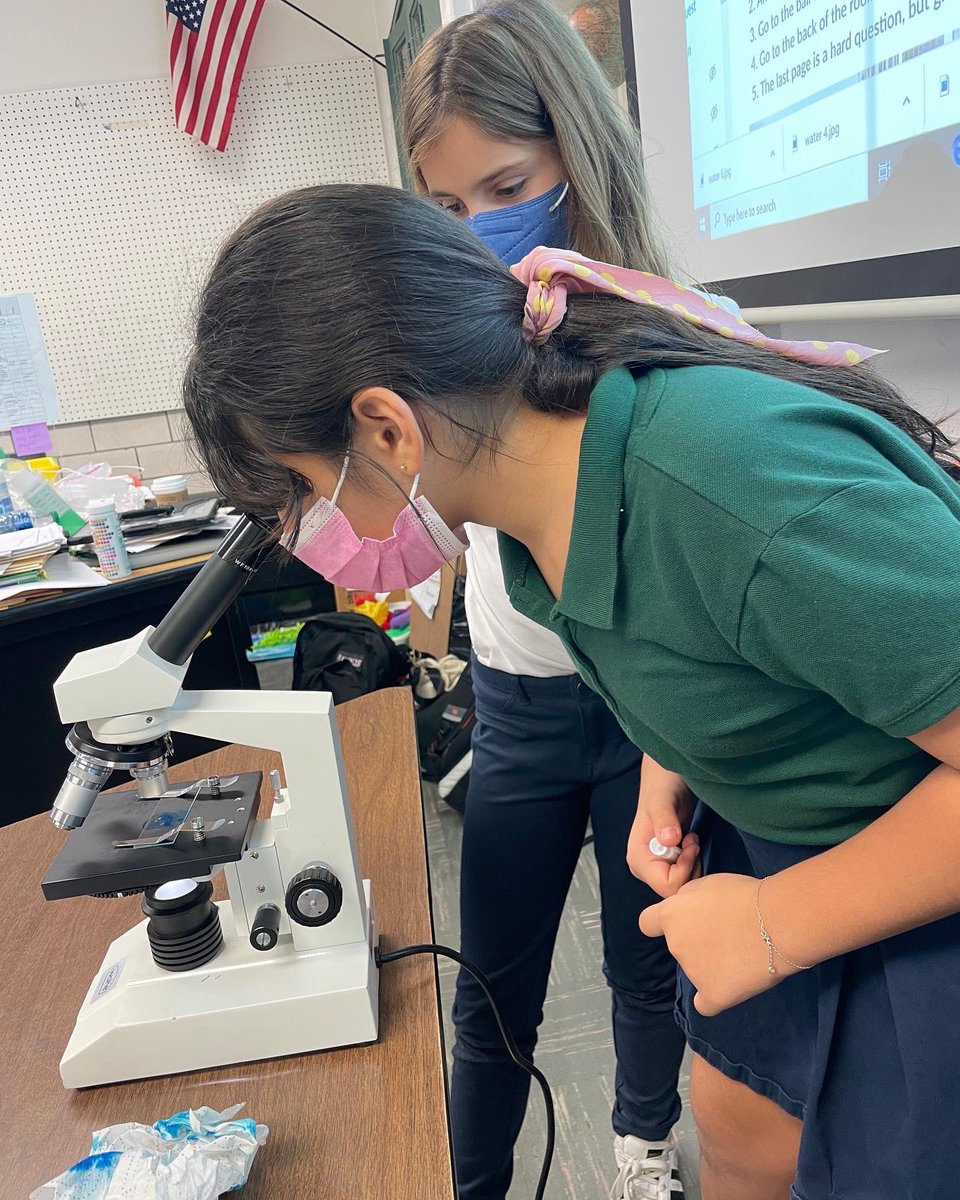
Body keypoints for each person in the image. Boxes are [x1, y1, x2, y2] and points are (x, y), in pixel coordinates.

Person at [182, 183, 960, 1200]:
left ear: (386, 429)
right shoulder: (533, 511)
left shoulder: (734, 485)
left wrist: (777, 923)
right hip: (779, 849)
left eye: (295, 493)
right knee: (738, 1132)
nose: (301, 538)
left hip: (910, 884)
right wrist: (671, 769)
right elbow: (711, 634)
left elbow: (731, 565)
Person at [399, 4, 697, 1197]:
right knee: (491, 991)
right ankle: (473, 1181)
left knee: (645, 961)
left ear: (579, 150)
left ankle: (643, 1147)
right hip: (518, 708)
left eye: (508, 187)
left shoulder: (663, 335)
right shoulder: (451, 333)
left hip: (643, 712)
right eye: (449, 205)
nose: (482, 227)